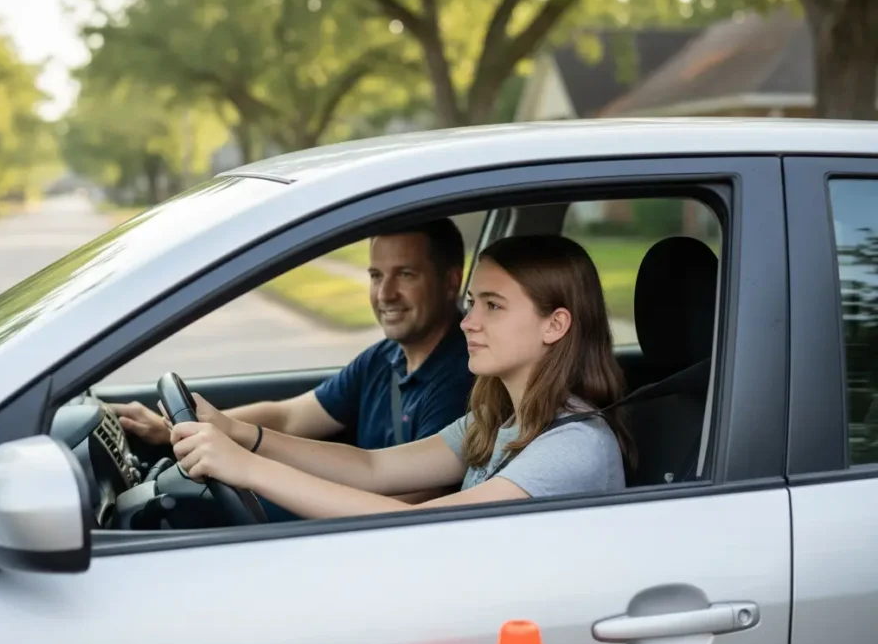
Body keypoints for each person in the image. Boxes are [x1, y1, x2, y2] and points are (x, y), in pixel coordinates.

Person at [167, 234, 637, 520]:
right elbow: (374, 469)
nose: (468, 321)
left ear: (555, 324)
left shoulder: (574, 445)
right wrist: (243, 435)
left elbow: (419, 523)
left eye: (493, 306)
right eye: (473, 303)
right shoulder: (497, 419)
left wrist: (247, 469)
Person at [111, 218, 475, 502]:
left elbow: (418, 502)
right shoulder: (383, 358)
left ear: (450, 282)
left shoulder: (463, 376)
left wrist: (262, 477)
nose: (385, 293)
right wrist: (174, 428)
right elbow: (290, 415)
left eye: (406, 275)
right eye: (376, 275)